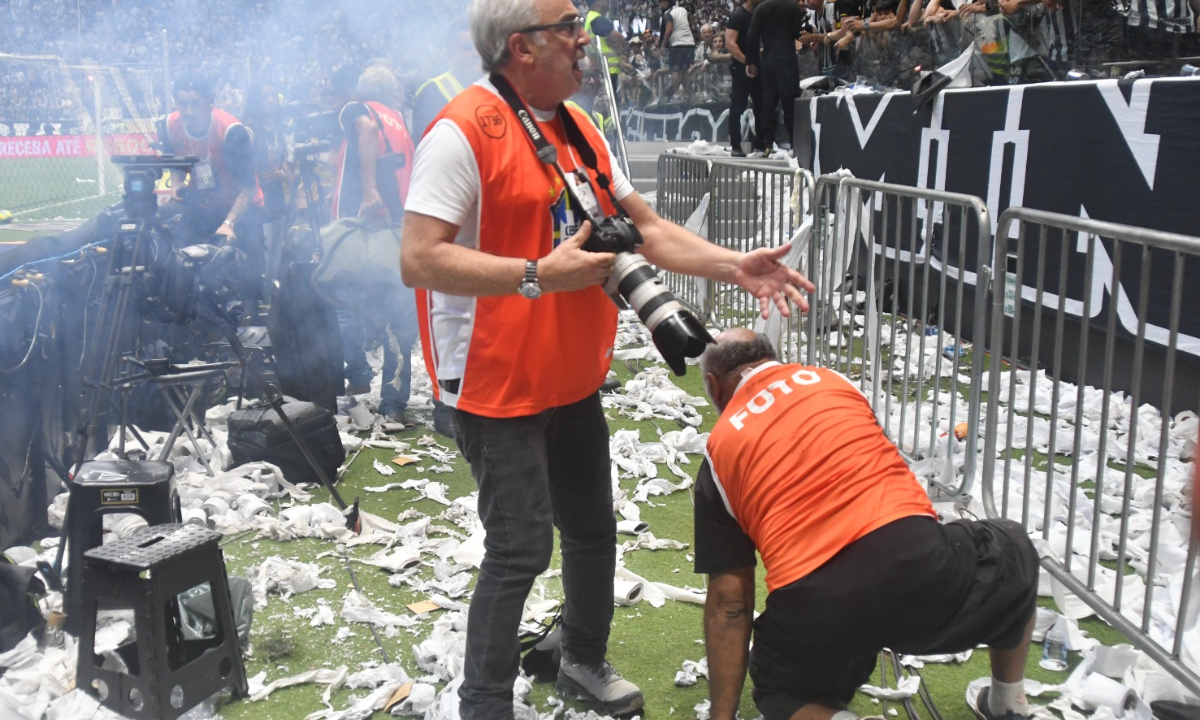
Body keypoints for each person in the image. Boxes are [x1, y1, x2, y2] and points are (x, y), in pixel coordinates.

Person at [399, 0, 814, 718]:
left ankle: (581, 660)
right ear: (520, 47)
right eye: (568, 27)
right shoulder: (462, 130)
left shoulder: (580, 126)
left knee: (592, 529)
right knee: (520, 547)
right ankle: (485, 702)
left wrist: (733, 266)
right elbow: (417, 258)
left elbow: (645, 229)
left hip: (572, 375)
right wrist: (536, 274)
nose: (584, 40)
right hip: (496, 385)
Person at [694, 328, 1039, 720]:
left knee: (780, 688)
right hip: (916, 557)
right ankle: (1007, 703)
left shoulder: (718, 451)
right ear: (772, 358)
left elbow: (730, 603)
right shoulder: (833, 382)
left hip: (816, 601)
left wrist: (722, 716)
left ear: (713, 384)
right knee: (1012, 546)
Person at [330, 65, 419, 423]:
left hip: (363, 229)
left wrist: (367, 189)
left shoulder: (360, 111)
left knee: (341, 301)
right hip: (397, 227)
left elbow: (364, 131)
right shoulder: (397, 119)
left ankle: (358, 377)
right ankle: (394, 402)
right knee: (397, 314)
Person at [158, 71, 266, 304]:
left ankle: (252, 315)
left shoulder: (231, 131)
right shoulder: (169, 125)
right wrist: (177, 184)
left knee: (248, 271)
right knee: (185, 259)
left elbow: (248, 186)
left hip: (242, 207)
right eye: (182, 104)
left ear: (209, 102)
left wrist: (229, 224)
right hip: (203, 204)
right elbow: (174, 163)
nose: (187, 111)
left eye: (194, 104)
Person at [745, 0, 808, 154]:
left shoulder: (761, 8)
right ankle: (794, 143)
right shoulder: (792, 6)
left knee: (768, 103)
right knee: (790, 102)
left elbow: (752, 36)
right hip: (787, 59)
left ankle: (767, 143)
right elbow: (797, 33)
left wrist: (751, 62)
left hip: (768, 60)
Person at [725, 0, 763, 156]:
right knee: (738, 106)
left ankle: (761, 144)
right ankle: (736, 144)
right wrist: (746, 61)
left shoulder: (761, 14)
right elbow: (730, 43)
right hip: (741, 66)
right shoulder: (738, 16)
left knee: (761, 105)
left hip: (759, 66)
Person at [585, 0, 626, 97]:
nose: (609, 1)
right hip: (608, 70)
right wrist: (619, 45)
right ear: (598, 2)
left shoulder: (590, 17)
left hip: (605, 69)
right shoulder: (597, 19)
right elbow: (620, 39)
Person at [657, 0, 697, 101]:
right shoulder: (683, 10)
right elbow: (691, 21)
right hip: (689, 43)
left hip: (677, 44)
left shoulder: (667, 13)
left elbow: (669, 29)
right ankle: (687, 93)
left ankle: (677, 95)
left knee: (675, 70)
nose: (660, 6)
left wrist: (663, 45)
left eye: (660, 4)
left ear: (664, 3)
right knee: (685, 69)